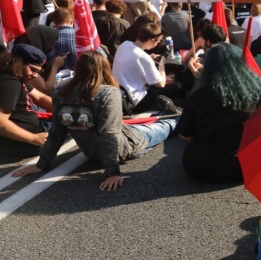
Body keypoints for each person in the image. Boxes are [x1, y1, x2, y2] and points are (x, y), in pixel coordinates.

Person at [12, 51, 178, 191]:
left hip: (91, 152)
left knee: (144, 123)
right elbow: (109, 133)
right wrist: (112, 172)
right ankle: (179, 117)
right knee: (166, 125)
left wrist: (42, 164)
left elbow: (57, 133)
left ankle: (166, 111)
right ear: (104, 69)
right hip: (122, 148)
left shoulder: (60, 93)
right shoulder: (109, 93)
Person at [178, 43, 261, 183]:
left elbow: (185, 134)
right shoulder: (260, 90)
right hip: (252, 165)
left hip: (204, 168)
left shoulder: (199, 95)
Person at [112, 23, 177, 114]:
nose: (157, 44)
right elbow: (161, 84)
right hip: (135, 101)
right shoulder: (143, 57)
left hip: (119, 93)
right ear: (151, 40)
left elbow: (134, 61)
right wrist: (161, 65)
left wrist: (149, 59)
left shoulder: (125, 45)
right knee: (176, 87)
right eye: (157, 42)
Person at [0, 45, 51, 157]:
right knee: (79, 125)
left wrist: (64, 108)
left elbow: (39, 98)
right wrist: (33, 138)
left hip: (28, 135)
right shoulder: (11, 83)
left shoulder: (16, 75)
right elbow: (1, 122)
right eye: (33, 69)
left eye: (38, 71)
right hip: (25, 143)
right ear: (18, 61)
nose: (35, 75)